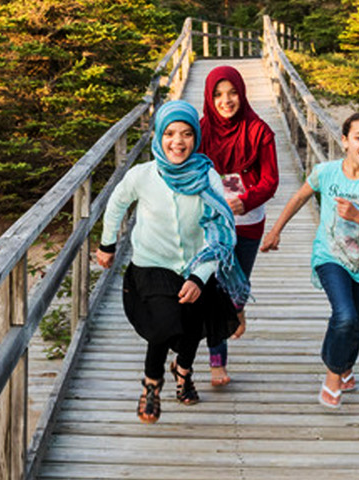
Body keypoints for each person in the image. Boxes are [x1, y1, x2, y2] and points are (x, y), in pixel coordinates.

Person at [95, 100, 252, 423]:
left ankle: (183, 371)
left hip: (196, 264)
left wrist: (200, 275)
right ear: (158, 135)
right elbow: (116, 204)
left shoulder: (206, 176)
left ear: (196, 137)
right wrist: (106, 245)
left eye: (186, 134)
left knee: (192, 326)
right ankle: (151, 385)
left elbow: (221, 231)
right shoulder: (143, 175)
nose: (177, 142)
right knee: (164, 324)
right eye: (169, 133)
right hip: (151, 264)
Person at [260, 112, 359, 408]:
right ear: (345, 141)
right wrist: (276, 231)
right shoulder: (326, 172)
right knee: (344, 315)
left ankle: (345, 366)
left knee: (356, 324)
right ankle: (333, 375)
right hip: (330, 256)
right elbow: (298, 198)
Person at [197, 65, 280, 388]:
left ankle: (238, 308)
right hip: (211, 223)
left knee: (237, 286)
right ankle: (217, 361)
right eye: (218, 94)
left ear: (242, 93)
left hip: (248, 220)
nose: (226, 100)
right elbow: (184, 165)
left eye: (232, 93)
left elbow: (271, 179)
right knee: (214, 288)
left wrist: (247, 200)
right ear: (209, 97)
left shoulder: (259, 131)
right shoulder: (200, 130)